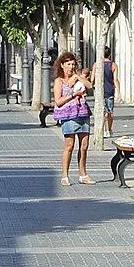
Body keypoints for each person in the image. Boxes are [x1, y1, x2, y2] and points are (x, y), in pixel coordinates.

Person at [50, 51, 95, 185]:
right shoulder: (59, 81)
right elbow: (58, 101)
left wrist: (77, 77)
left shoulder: (76, 77)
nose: (71, 67)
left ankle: (83, 174)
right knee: (69, 146)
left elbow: (89, 86)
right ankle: (65, 176)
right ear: (62, 65)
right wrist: (73, 95)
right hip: (68, 116)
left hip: (82, 113)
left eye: (73, 64)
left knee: (84, 146)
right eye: (68, 64)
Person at [97, 48, 119, 146]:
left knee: (102, 112)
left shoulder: (97, 65)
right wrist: (119, 92)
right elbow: (115, 79)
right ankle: (109, 129)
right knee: (110, 112)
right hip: (110, 91)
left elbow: (93, 78)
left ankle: (102, 130)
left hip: (100, 92)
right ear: (110, 55)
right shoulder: (113, 65)